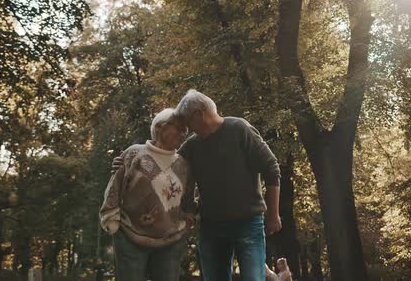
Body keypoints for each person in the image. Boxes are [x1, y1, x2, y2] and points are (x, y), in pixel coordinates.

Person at [112, 90, 282, 280]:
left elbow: (271, 168)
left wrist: (273, 215)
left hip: (248, 224)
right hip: (212, 228)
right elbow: (164, 161)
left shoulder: (239, 129)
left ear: (198, 114)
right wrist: (125, 161)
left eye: (187, 124)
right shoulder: (192, 146)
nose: (186, 131)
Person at [100, 109, 195, 281]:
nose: (183, 134)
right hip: (130, 238)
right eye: (179, 128)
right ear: (160, 127)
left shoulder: (184, 165)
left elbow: (188, 201)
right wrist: (113, 223)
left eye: (185, 131)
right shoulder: (135, 153)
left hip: (171, 242)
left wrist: (188, 222)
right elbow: (114, 187)